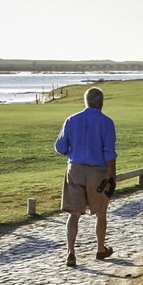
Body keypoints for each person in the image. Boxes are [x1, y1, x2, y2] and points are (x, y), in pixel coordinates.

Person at [55, 87, 117, 266]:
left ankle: (70, 252)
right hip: (97, 171)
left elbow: (60, 147)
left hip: (75, 168)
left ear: (86, 101)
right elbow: (109, 153)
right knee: (101, 213)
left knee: (74, 213)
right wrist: (112, 175)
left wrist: (73, 152)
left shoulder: (71, 120)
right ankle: (100, 248)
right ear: (101, 103)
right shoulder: (106, 122)